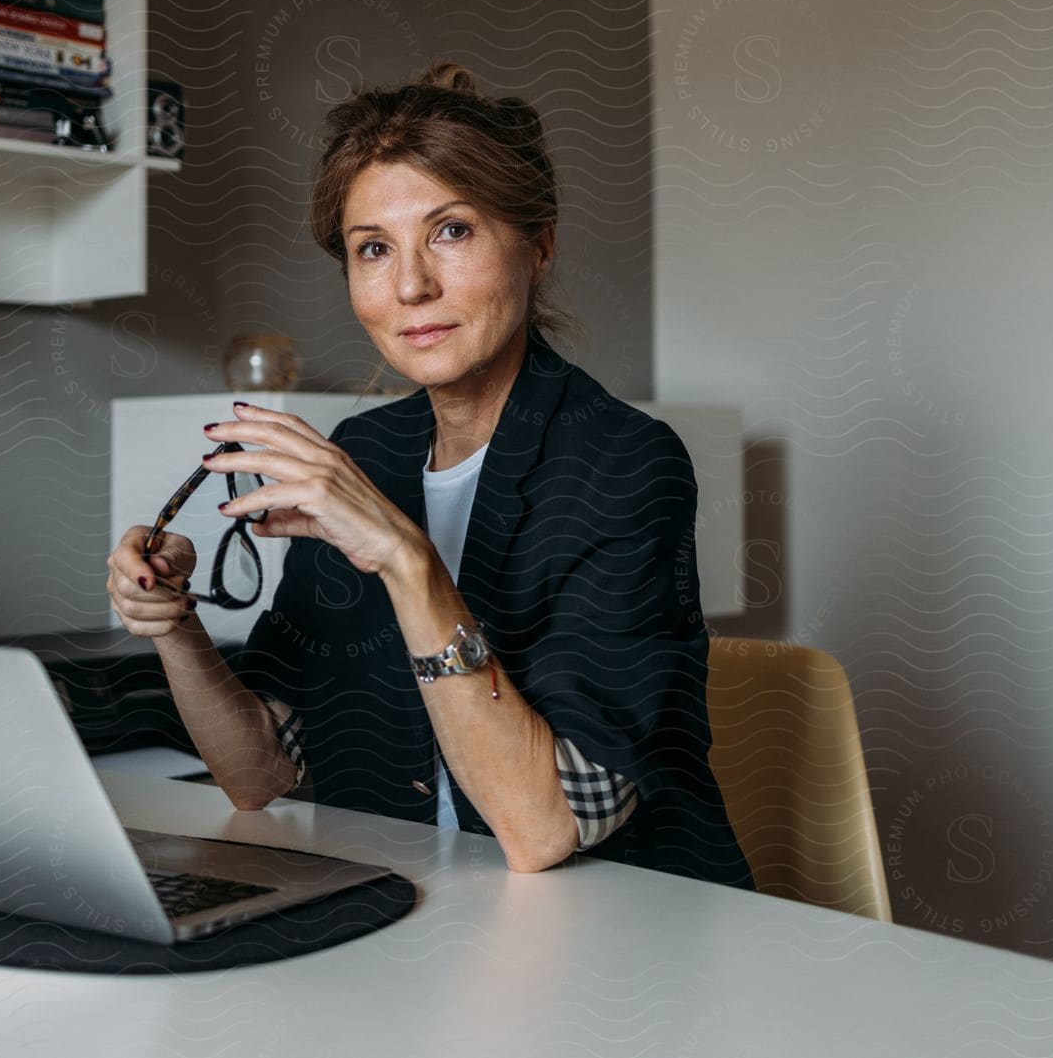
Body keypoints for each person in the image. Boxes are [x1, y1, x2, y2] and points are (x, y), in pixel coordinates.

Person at [107, 60, 753, 888]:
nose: (411, 284)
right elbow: (259, 772)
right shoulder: (365, 453)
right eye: (372, 248)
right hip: (420, 912)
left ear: (539, 244)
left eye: (452, 231)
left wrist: (404, 557)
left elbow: (545, 827)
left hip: (628, 932)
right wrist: (174, 625)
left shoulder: (627, 463)